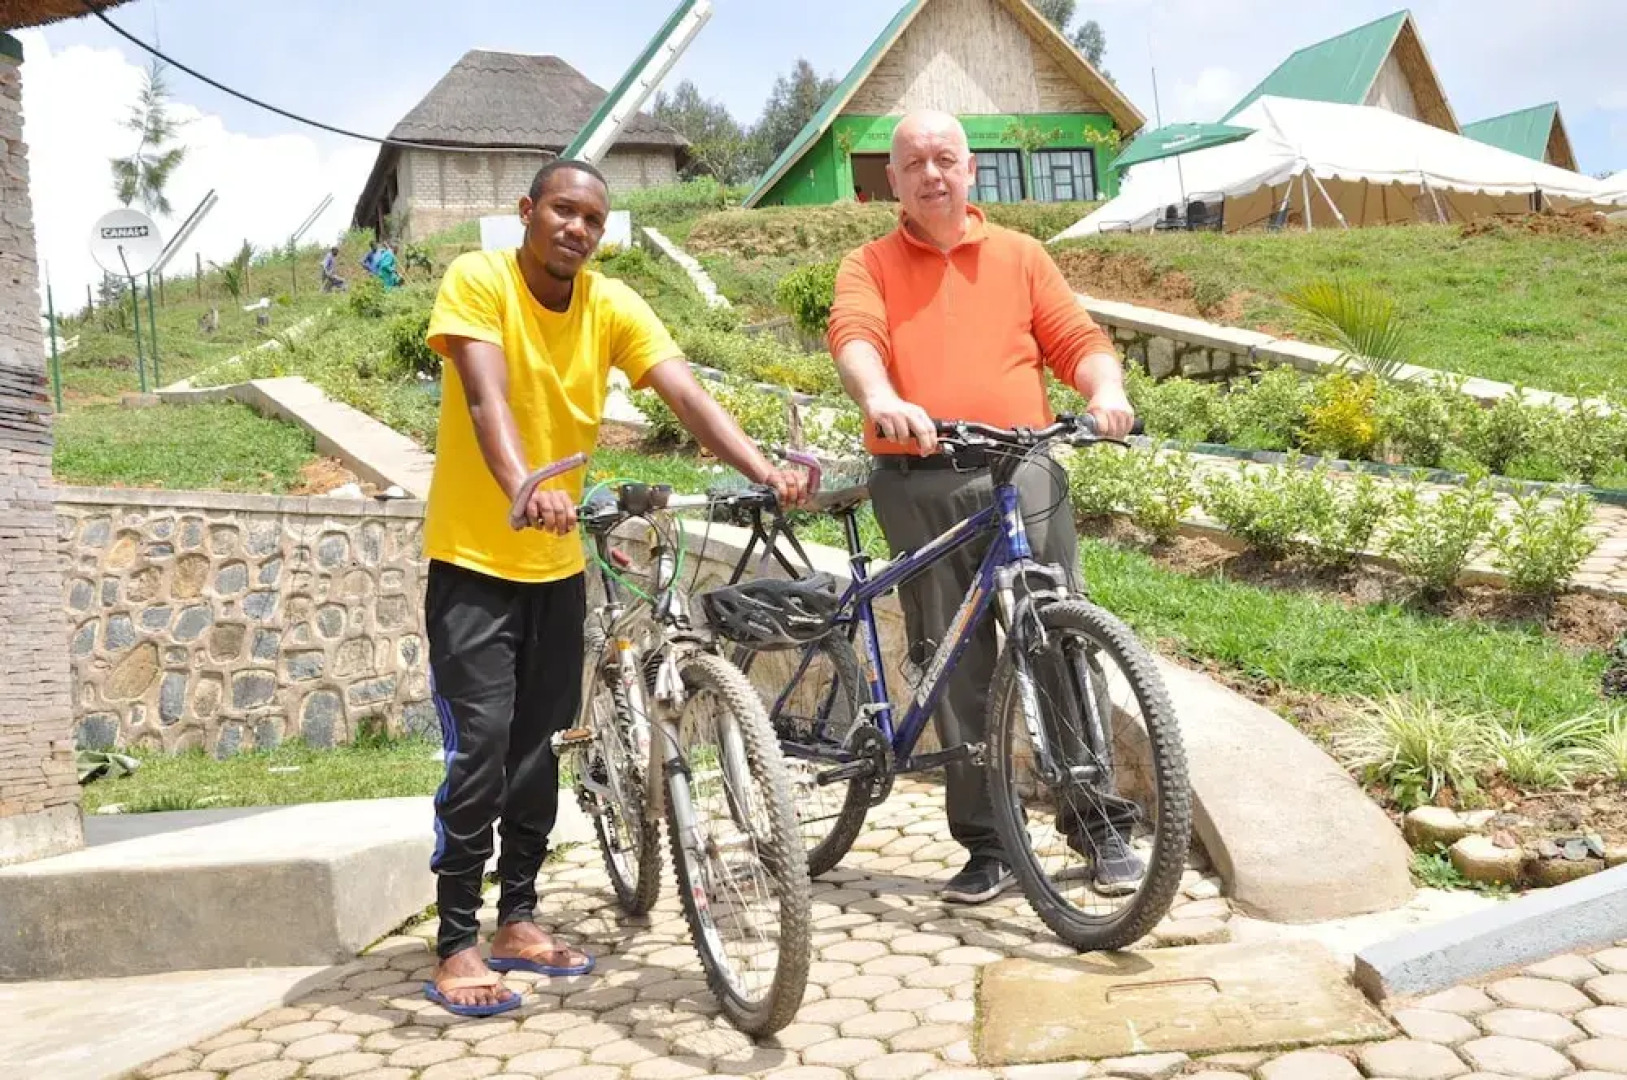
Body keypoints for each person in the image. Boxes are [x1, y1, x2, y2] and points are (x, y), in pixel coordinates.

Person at [420, 158, 810, 1016]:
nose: (577, 229)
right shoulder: (478, 278)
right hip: (472, 570)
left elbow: (684, 393)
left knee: (539, 754)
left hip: (556, 572)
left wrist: (762, 468)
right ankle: (454, 942)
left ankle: (516, 920)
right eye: (562, 211)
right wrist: (525, 482)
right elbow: (487, 401)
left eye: (592, 220)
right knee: (481, 750)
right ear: (528, 212)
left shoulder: (609, 303)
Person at [825, 110, 1144, 906]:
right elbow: (854, 337)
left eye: (945, 159)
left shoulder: (1020, 256)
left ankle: (1096, 823)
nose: (931, 173)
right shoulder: (867, 264)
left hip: (1021, 469)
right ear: (891, 181)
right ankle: (987, 842)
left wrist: (1106, 391)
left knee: (1055, 637)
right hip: (917, 479)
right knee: (952, 660)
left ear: (971, 171)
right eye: (913, 163)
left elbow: (1075, 339)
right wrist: (883, 396)